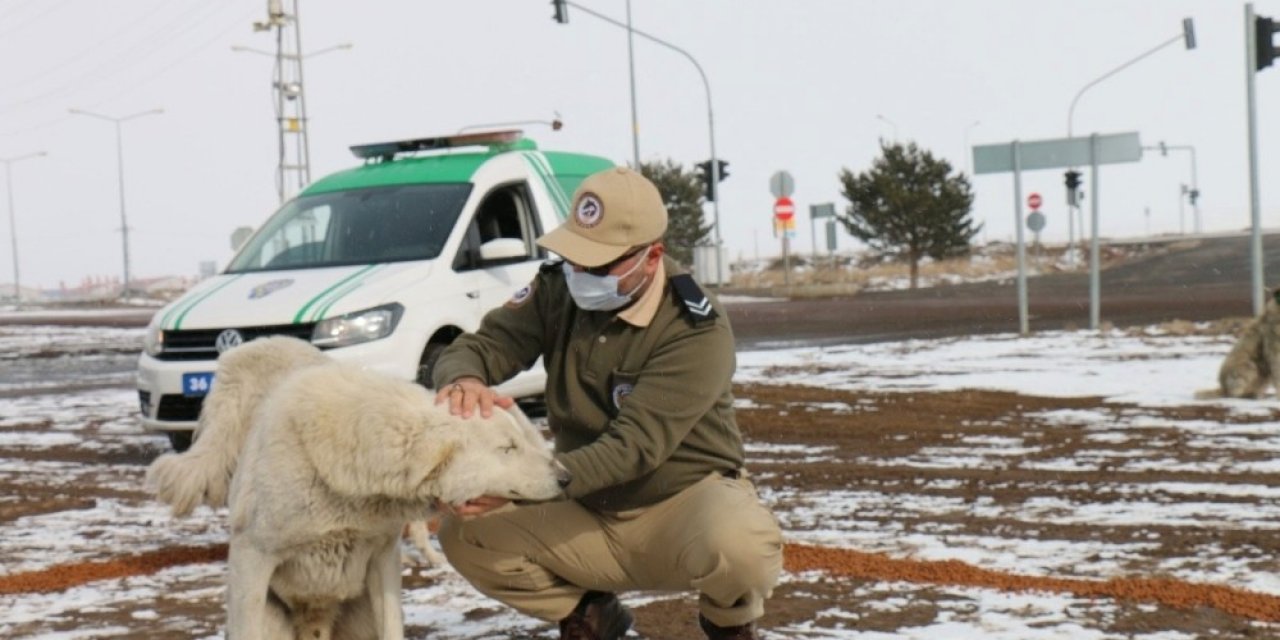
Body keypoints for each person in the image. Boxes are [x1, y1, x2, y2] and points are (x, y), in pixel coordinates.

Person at [431, 166, 783, 640]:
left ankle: (729, 626)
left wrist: (519, 483)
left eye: (598, 265)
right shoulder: (558, 289)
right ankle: (590, 615)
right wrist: (464, 379)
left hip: (680, 507)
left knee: (743, 548)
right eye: (574, 256)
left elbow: (633, 448)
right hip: (587, 505)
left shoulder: (694, 327)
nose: (579, 274)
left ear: (652, 255)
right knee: (467, 534)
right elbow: (484, 345)